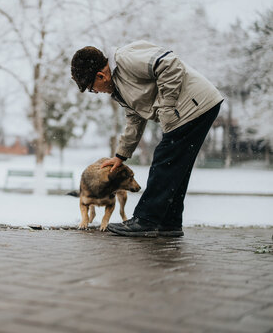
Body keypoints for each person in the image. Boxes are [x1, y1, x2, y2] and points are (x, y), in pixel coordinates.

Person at [70, 40, 223, 237]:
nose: (96, 92)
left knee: (164, 161)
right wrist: (120, 155)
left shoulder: (125, 59)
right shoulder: (119, 89)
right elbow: (134, 119)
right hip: (194, 109)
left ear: (101, 75)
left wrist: (167, 107)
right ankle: (170, 222)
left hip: (195, 105)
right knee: (176, 168)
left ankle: (146, 219)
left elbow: (169, 63)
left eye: (93, 88)